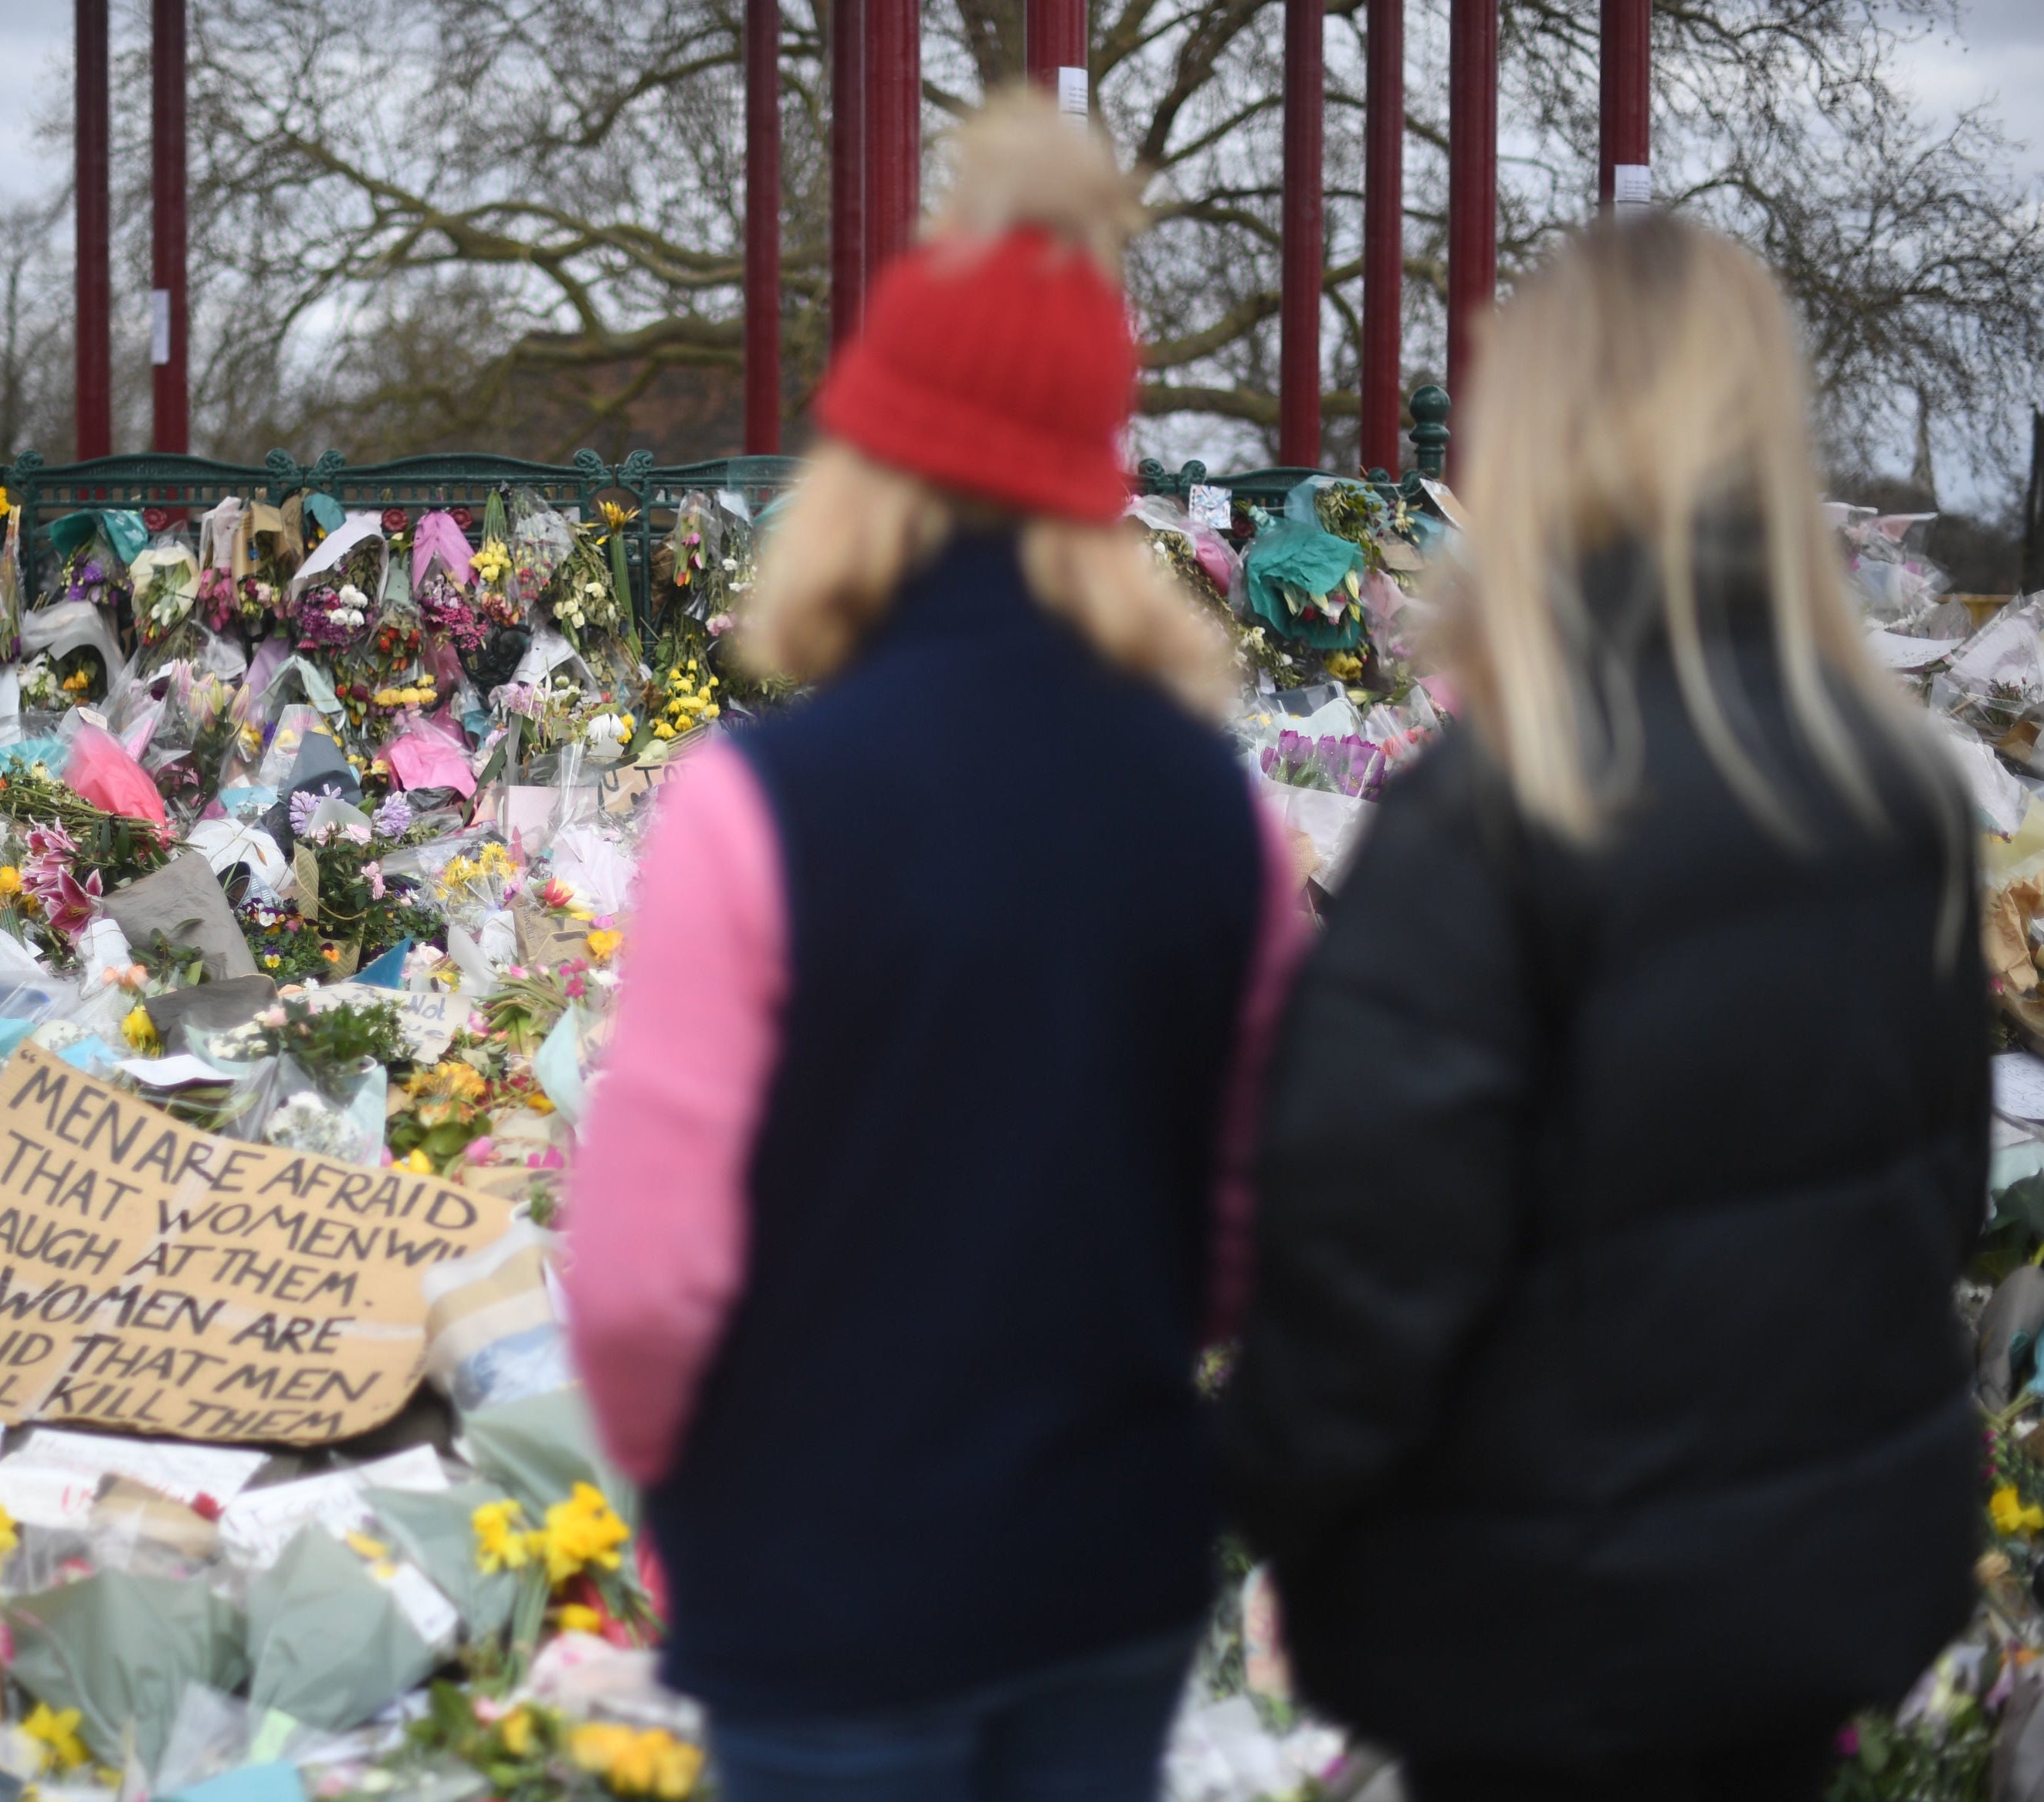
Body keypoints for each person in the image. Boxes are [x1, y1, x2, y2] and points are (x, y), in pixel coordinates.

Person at [564, 95, 1304, 1802]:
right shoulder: (1215, 810)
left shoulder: (755, 806)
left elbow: (642, 1286)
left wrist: (708, 1494)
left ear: (866, 475)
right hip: (1105, 1566)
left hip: (826, 1588)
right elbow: (1265, 1215)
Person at [1218, 213, 1988, 1802]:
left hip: (1527, 1628)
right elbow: (1931, 1204)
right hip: (1802, 1605)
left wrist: (1262, 1502)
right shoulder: (1895, 801)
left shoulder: (1505, 812)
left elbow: (1360, 1260)